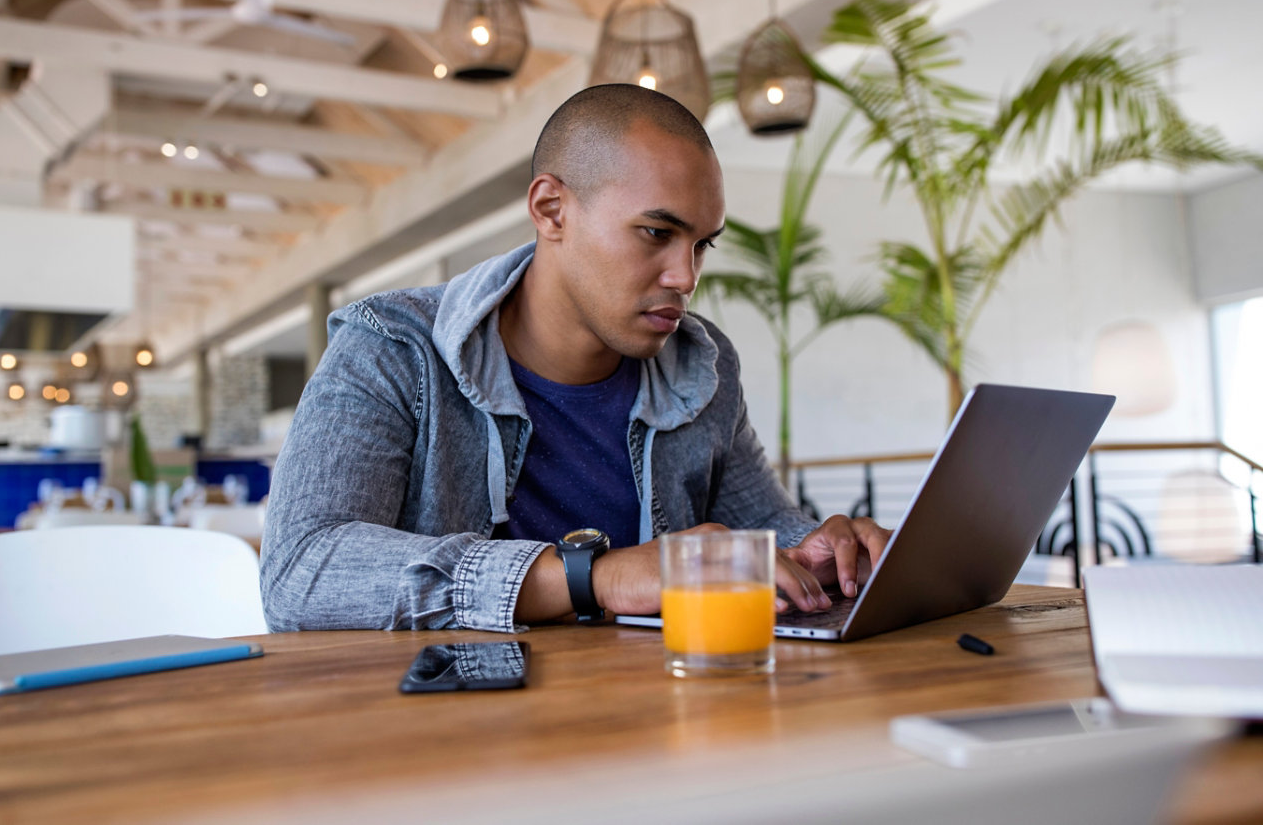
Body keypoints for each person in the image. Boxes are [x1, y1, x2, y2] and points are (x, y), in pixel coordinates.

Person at [261, 84, 890, 633]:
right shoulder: (394, 347)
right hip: (447, 737)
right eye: (656, 232)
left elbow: (754, 521)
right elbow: (303, 570)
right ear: (551, 209)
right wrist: (600, 578)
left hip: (655, 719)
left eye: (701, 245)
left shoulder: (701, 364)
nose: (685, 276)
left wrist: (817, 550)